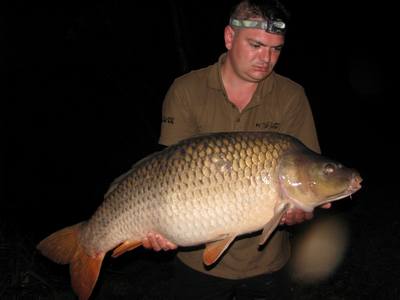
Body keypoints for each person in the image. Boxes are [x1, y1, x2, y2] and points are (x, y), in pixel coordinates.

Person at [142, 0, 331, 299]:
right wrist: (155, 226)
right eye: (256, 45)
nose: (266, 59)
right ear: (230, 37)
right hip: (196, 262)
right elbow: (165, 173)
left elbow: (304, 173)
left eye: (276, 49)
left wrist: (302, 210)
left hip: (268, 263)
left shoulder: (291, 96)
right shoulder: (186, 90)